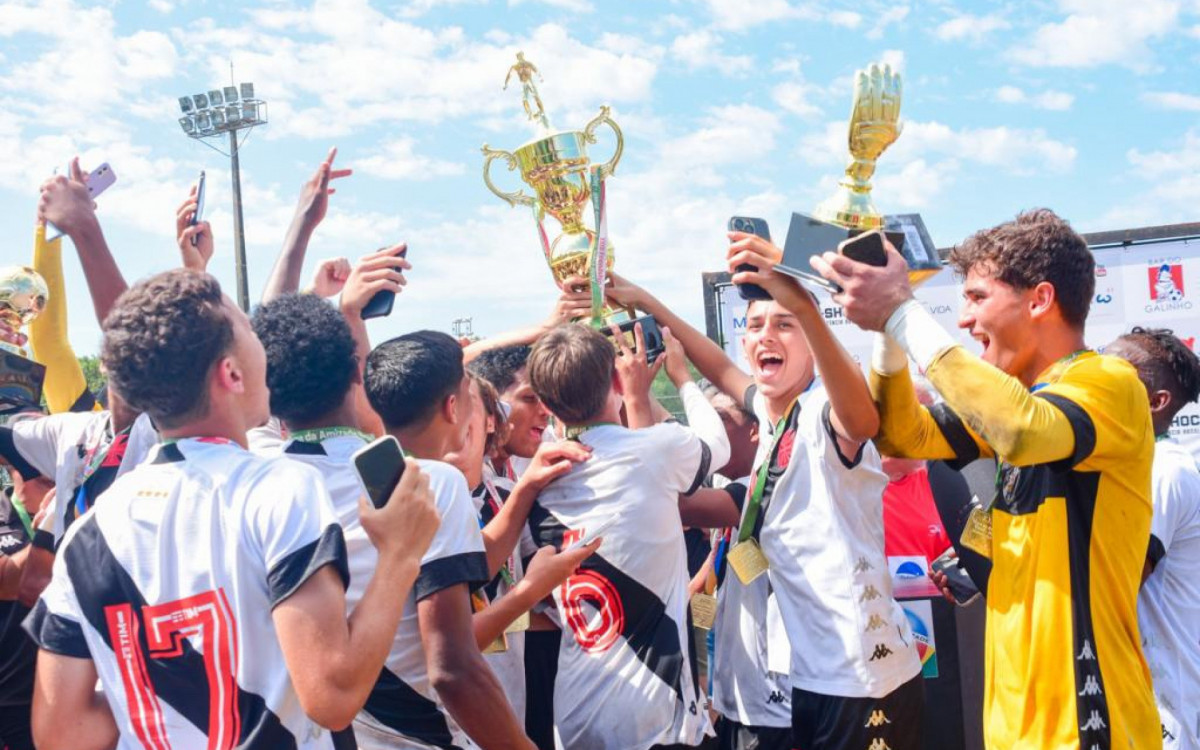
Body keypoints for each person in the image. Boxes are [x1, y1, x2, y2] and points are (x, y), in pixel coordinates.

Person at [22, 269, 441, 750]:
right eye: (250, 328)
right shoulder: (279, 489)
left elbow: (62, 734)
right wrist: (399, 556)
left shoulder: (87, 532)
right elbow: (331, 694)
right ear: (232, 374)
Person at [813, 208, 1160, 748]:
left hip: (1088, 722)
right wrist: (886, 330)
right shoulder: (1012, 401)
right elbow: (902, 436)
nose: (965, 321)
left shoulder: (1108, 381)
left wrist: (905, 312)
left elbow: (1023, 429)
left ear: (1040, 299)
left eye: (976, 298)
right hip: (1011, 725)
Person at [606, 265, 924, 750]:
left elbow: (860, 418)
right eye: (754, 326)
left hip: (860, 680)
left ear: (813, 343)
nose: (765, 336)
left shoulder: (821, 414)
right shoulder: (773, 427)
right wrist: (643, 299)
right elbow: (718, 367)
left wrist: (804, 306)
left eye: (784, 324)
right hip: (799, 683)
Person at [360, 330, 586, 750]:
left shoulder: (370, 482)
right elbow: (452, 667)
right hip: (426, 732)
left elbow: (470, 565)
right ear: (453, 407)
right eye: (470, 394)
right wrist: (529, 590)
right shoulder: (440, 483)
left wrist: (524, 491)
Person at [525, 322, 730, 749]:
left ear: (544, 404)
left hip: (576, 716)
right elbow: (718, 445)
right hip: (655, 718)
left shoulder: (532, 486)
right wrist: (682, 377)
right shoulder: (656, 450)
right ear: (617, 380)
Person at [1108, 327, 1200, 749]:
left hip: (1171, 704)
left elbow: (1116, 585)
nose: (1095, 379)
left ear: (1156, 402)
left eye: (1113, 372)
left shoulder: (1164, 469)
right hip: (1136, 691)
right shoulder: (1131, 466)